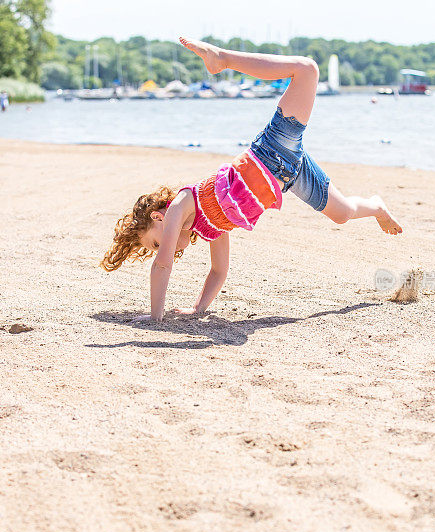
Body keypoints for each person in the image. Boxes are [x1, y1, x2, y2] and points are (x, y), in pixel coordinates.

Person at [101, 38, 403, 321]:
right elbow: (219, 271)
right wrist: (198, 309)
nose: (166, 249)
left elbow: (163, 264)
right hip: (290, 175)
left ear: (159, 216)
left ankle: (223, 58)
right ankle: (376, 207)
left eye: (155, 242)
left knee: (307, 70)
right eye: (157, 247)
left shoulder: (183, 203)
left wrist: (155, 318)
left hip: (275, 147)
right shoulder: (209, 226)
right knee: (344, 214)